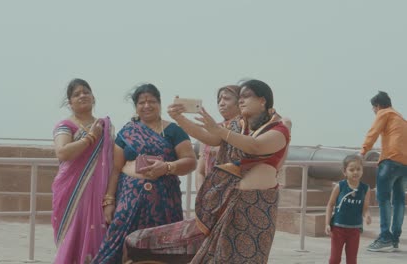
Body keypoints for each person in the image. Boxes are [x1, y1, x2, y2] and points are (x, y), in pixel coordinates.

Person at [124, 79, 291, 263]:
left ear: (263, 100)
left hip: (257, 209)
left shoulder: (278, 129)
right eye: (240, 97)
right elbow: (207, 137)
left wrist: (219, 131)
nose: (241, 101)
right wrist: (180, 118)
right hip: (227, 203)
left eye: (246, 96)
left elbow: (255, 146)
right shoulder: (236, 126)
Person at [92, 83, 197, 264]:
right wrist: (109, 201)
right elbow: (116, 169)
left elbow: (190, 161)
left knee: (163, 246)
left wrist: (167, 167)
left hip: (165, 200)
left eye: (152, 101)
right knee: (117, 242)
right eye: (142, 102)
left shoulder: (173, 131)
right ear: (136, 106)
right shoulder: (127, 132)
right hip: (129, 198)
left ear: (160, 103)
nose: (147, 106)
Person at [51, 78, 114, 264]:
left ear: (93, 97)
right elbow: (62, 153)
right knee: (72, 238)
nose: (82, 96)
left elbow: (113, 162)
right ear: (70, 103)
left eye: (86, 92)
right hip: (72, 193)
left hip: (100, 193)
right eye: (76, 94)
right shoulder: (66, 125)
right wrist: (90, 138)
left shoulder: (105, 126)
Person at [360, 91, 407, 252]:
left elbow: (373, 132)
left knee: (384, 199)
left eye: (373, 108)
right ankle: (395, 239)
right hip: (404, 164)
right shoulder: (400, 118)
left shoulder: (384, 113)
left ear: (377, 106)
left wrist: (362, 152)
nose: (374, 111)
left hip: (390, 161)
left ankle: (385, 236)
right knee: (400, 201)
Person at [325, 154, 372, 264]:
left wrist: (367, 216)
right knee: (335, 259)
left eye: (358, 169)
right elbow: (330, 205)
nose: (355, 172)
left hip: (354, 230)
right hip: (338, 229)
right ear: (345, 172)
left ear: (362, 171)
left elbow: (365, 208)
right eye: (351, 169)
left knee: (352, 259)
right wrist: (327, 223)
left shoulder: (365, 189)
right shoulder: (340, 186)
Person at [195, 85, 241, 191]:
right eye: (219, 99)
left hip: (236, 194)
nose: (221, 103)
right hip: (210, 195)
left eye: (227, 99)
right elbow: (200, 171)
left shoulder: (247, 129)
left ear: (240, 102)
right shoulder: (210, 130)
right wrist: (201, 195)